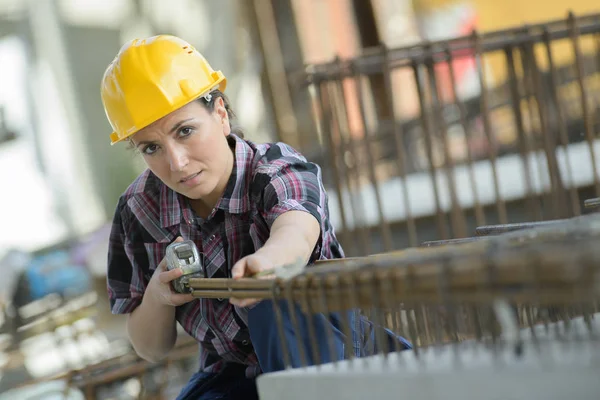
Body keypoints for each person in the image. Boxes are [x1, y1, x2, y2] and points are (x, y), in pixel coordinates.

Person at [101, 35, 410, 400]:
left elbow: (296, 229)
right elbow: (150, 348)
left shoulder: (276, 170)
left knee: (272, 306)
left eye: (185, 131)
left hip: (334, 357)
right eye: (151, 148)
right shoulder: (138, 210)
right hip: (234, 375)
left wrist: (267, 263)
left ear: (219, 114)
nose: (176, 163)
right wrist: (158, 297)